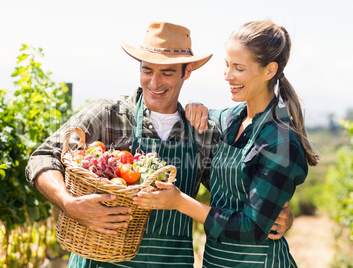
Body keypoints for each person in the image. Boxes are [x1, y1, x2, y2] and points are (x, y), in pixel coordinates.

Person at [26, 21, 292, 267]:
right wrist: (68, 203)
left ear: (186, 72)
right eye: (147, 70)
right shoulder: (109, 115)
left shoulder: (202, 131)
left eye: (166, 72)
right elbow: (43, 156)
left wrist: (281, 213)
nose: (154, 83)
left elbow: (236, 190)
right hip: (99, 261)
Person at [133, 20, 319, 267]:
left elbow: (252, 228)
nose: (228, 76)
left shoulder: (280, 141)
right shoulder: (229, 119)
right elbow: (203, 120)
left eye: (239, 68)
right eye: (227, 65)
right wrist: (196, 108)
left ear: (269, 70)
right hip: (217, 261)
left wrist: (179, 202)